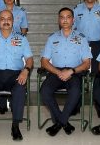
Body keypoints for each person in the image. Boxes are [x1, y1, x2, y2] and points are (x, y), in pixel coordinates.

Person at [0, 9, 33, 141]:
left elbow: (30, 59)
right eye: (2, 19)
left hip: (15, 75)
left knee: (20, 87)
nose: (6, 21)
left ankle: (15, 126)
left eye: (9, 18)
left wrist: (25, 70)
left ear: (13, 22)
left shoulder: (21, 39)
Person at [39, 7, 91, 136]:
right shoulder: (52, 38)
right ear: (59, 20)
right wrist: (58, 72)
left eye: (68, 17)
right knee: (44, 91)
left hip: (74, 72)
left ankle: (59, 122)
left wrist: (71, 71)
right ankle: (64, 122)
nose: (65, 20)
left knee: (75, 91)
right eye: (62, 17)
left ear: (73, 20)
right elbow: (44, 61)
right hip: (56, 72)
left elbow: (87, 63)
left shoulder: (82, 38)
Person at [0, 0, 28, 113]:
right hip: (1, 44)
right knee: (0, 70)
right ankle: (2, 105)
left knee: (13, 73)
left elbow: (24, 29)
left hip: (16, 46)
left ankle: (14, 103)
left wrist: (19, 41)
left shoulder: (21, 11)